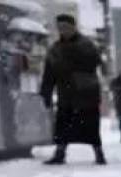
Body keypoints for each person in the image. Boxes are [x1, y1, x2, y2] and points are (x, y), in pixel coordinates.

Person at [40, 14, 106, 165]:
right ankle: (60, 154)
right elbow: (49, 73)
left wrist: (73, 58)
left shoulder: (86, 44)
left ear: (73, 27)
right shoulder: (55, 49)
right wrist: (46, 93)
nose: (63, 31)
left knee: (90, 125)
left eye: (66, 27)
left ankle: (99, 153)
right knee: (63, 124)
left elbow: (95, 62)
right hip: (66, 93)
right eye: (60, 28)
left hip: (86, 93)